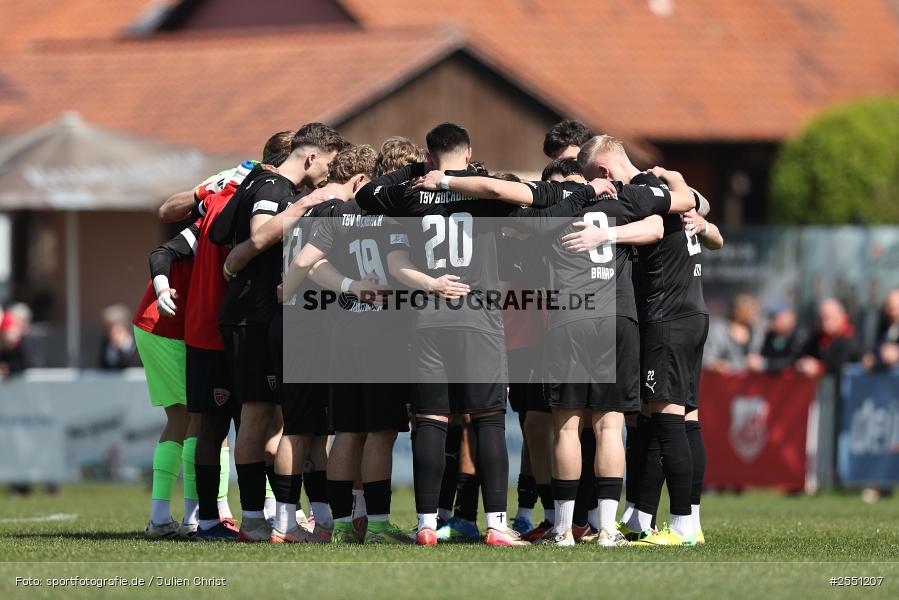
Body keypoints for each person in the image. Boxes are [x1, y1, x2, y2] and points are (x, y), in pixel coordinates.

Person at [355, 122, 540, 546]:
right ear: (470, 151)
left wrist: (430, 283)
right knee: (488, 420)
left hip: (427, 320)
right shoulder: (485, 192)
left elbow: (394, 255)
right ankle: (496, 524)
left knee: (431, 421)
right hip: (478, 320)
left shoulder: (410, 196)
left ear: (427, 155)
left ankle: (425, 524)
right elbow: (525, 204)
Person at [217, 123, 348, 542]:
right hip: (251, 316)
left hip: (267, 315)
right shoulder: (274, 187)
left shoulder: (278, 189)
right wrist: (305, 204)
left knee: (279, 422)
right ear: (311, 157)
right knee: (256, 417)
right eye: (327, 163)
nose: (328, 173)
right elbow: (258, 235)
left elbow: (241, 248)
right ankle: (255, 518)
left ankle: (283, 516)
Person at [796, 298, 863, 377]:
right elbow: (805, 353)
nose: (824, 323)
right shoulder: (819, 335)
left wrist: (819, 368)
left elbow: (842, 363)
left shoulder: (852, 334)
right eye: (822, 318)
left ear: (841, 316)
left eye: (828, 318)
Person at [703, 294, 761, 374]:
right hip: (722, 383)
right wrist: (720, 365)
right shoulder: (718, 331)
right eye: (750, 310)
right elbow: (708, 360)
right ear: (737, 311)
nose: (754, 314)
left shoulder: (756, 332)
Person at [748, 304, 809, 374]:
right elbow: (764, 353)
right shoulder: (771, 334)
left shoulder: (802, 335)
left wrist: (766, 364)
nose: (772, 321)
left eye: (775, 317)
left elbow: (792, 360)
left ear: (789, 317)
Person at [99, 305, 142, 369]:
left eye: (111, 327)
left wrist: (122, 347)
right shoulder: (106, 344)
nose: (108, 332)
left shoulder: (137, 344)